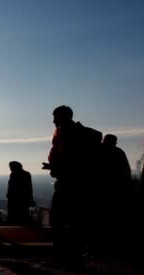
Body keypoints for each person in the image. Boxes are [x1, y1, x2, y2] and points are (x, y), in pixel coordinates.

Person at [43, 105, 102, 264]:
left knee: (60, 220)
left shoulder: (67, 134)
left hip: (69, 182)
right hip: (76, 182)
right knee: (74, 221)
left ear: (63, 117)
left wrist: (56, 166)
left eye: (55, 117)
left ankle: (64, 256)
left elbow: (72, 160)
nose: (53, 120)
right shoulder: (82, 133)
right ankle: (72, 256)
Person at [6, 161, 34, 225]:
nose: (10, 169)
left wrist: (9, 194)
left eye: (11, 167)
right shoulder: (26, 174)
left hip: (15, 199)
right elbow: (29, 187)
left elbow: (11, 186)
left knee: (14, 215)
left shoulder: (13, 174)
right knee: (22, 214)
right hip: (22, 199)